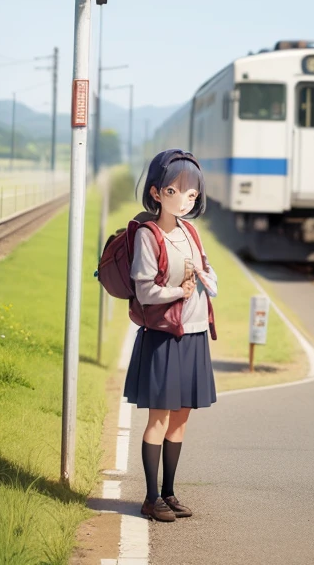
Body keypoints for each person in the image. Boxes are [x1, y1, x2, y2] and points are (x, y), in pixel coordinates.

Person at [123, 149, 217, 523]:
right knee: (158, 419)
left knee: (180, 418)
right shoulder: (149, 235)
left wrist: (204, 279)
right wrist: (180, 290)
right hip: (164, 336)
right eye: (177, 190)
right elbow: (144, 290)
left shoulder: (190, 231)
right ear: (157, 192)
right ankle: (149, 498)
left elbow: (208, 273)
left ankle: (169, 492)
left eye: (192, 193)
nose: (185, 198)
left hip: (193, 334)